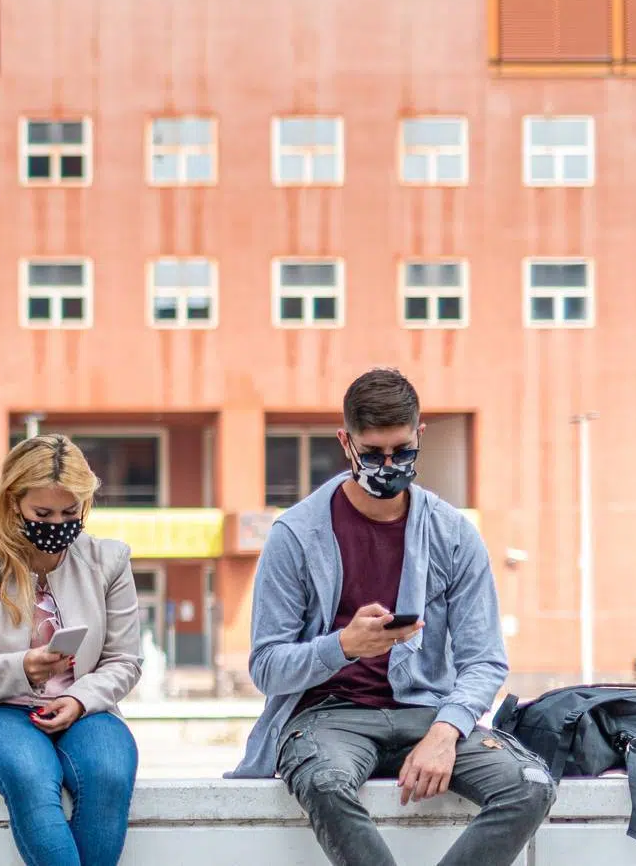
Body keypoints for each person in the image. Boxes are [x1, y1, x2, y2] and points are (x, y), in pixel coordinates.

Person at [233, 368, 553, 866]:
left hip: (429, 713)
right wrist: (343, 646)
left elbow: (485, 660)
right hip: (327, 717)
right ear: (345, 442)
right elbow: (266, 667)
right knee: (323, 783)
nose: (388, 465)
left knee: (531, 784)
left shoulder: (453, 534)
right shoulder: (294, 535)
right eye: (373, 453)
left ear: (420, 436)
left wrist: (445, 733)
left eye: (401, 452)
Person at [0, 434, 143, 866]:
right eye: (43, 513)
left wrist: (79, 699)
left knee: (109, 773)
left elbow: (125, 660)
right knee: (30, 776)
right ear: (14, 503)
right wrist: (22, 668)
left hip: (86, 707)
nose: (58, 524)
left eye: (71, 512)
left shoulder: (109, 561)